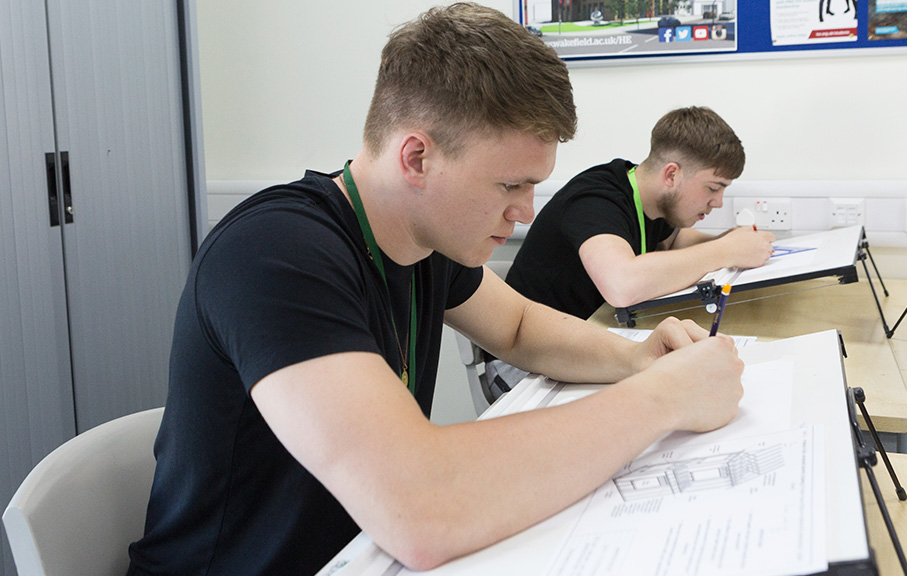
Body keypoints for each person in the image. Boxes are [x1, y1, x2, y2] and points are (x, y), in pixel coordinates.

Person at [126, 4, 744, 575]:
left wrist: (638, 358)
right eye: (510, 186)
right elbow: (418, 504)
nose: (526, 214)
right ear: (417, 158)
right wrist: (663, 399)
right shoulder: (275, 252)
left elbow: (520, 328)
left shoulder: (424, 242)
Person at [490, 107, 774, 395]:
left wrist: (729, 242)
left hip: (596, 340)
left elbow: (674, 243)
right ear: (672, 175)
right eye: (713, 188)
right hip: (524, 367)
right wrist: (725, 251)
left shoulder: (652, 202)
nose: (718, 202)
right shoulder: (596, 199)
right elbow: (621, 284)